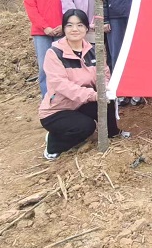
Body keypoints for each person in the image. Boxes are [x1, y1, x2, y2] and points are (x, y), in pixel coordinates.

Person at [39, 9, 130, 160]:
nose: (75, 29)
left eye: (80, 25)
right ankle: (54, 143)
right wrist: (93, 95)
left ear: (87, 28)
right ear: (63, 28)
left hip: (82, 103)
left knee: (107, 99)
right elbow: (63, 86)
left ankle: (113, 133)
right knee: (86, 127)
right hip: (58, 109)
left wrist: (105, 89)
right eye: (69, 25)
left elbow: (104, 73)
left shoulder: (94, 50)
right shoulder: (54, 54)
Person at [102, 0, 145, 105]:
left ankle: (136, 90)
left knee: (136, 54)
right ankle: (119, 91)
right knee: (117, 55)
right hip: (115, 18)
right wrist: (105, 19)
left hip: (137, 19)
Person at [24, 0, 66, 100]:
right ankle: (48, 99)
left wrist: (64, 25)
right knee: (44, 67)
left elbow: (69, 4)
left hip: (62, 31)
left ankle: (64, 99)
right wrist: (45, 27)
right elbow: (30, 6)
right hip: (41, 33)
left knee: (62, 66)